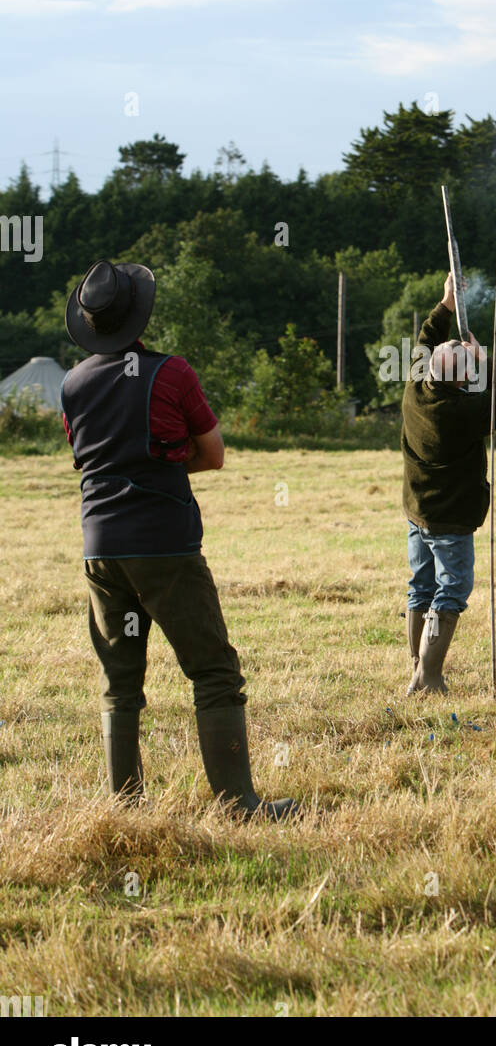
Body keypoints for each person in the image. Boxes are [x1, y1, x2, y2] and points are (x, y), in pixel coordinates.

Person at [60, 258, 298, 819]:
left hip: (99, 547)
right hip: (163, 543)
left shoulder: (71, 383)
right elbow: (212, 454)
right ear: (139, 316)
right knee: (213, 671)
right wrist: (160, 467)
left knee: (120, 682)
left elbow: (89, 461)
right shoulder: (171, 373)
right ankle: (238, 805)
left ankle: (125, 806)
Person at [400, 272, 496, 695]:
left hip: (417, 511)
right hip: (449, 520)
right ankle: (430, 677)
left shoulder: (415, 388)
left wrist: (447, 303)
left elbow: (425, 337)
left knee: (421, 587)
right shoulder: (461, 414)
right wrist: (485, 359)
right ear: (463, 378)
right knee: (450, 591)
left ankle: (417, 669)